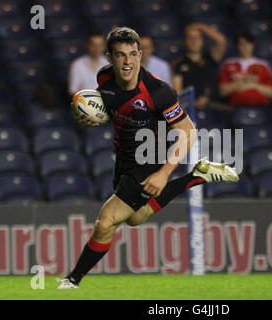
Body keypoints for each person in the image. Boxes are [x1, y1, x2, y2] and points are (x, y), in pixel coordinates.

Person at [57, 27, 239, 289]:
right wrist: (91, 115)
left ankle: (72, 280)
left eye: (133, 54)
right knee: (135, 218)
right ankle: (196, 176)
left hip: (150, 156)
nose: (128, 61)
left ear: (140, 55)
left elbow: (188, 132)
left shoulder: (158, 92)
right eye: (120, 55)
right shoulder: (104, 78)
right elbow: (109, 107)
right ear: (110, 58)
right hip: (124, 158)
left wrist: (163, 173)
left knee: (106, 221)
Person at [172, 23, 227, 109]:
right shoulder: (179, 64)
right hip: (188, 107)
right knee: (163, 118)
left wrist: (201, 27)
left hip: (213, 105)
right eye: (190, 38)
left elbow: (221, 40)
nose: (194, 41)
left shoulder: (211, 58)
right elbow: (178, 90)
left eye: (197, 38)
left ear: (202, 41)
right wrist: (191, 102)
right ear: (185, 41)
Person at [219, 32, 272, 109]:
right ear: (237, 46)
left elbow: (271, 92)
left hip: (261, 107)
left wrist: (253, 85)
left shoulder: (263, 64)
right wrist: (244, 80)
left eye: (248, 43)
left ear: (253, 45)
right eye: (241, 44)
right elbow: (222, 92)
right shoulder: (228, 63)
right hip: (235, 108)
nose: (245, 47)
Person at [68, 31, 108, 96]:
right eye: (94, 45)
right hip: (83, 103)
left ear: (104, 46)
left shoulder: (109, 65)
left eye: (100, 45)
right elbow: (73, 91)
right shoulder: (77, 64)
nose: (97, 49)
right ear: (88, 45)